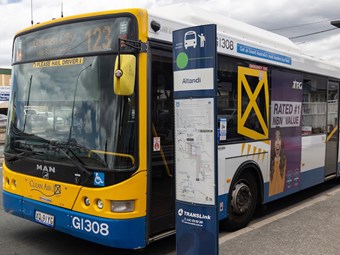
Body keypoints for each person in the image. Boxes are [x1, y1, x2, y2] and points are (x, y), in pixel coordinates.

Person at [269, 126, 287, 196]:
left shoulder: (284, 160)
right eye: (275, 139)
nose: (277, 143)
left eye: (279, 138)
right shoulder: (270, 161)